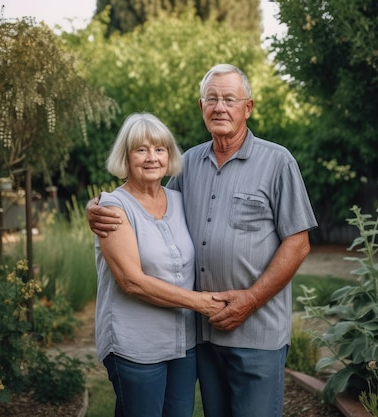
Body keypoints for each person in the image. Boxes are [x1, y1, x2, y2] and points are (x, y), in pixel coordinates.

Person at [88, 64, 318, 417]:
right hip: (203, 336)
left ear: (248, 107)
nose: (220, 107)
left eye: (229, 98)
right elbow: (148, 205)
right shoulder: (188, 165)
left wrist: (250, 301)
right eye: (212, 98)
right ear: (201, 107)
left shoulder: (277, 162)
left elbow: (298, 243)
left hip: (257, 332)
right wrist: (98, 206)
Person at [93, 112, 226, 417]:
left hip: (182, 344)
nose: (152, 157)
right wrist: (200, 303)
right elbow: (131, 281)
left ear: (169, 155)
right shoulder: (114, 207)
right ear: (125, 157)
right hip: (135, 345)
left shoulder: (179, 200)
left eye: (160, 149)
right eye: (141, 150)